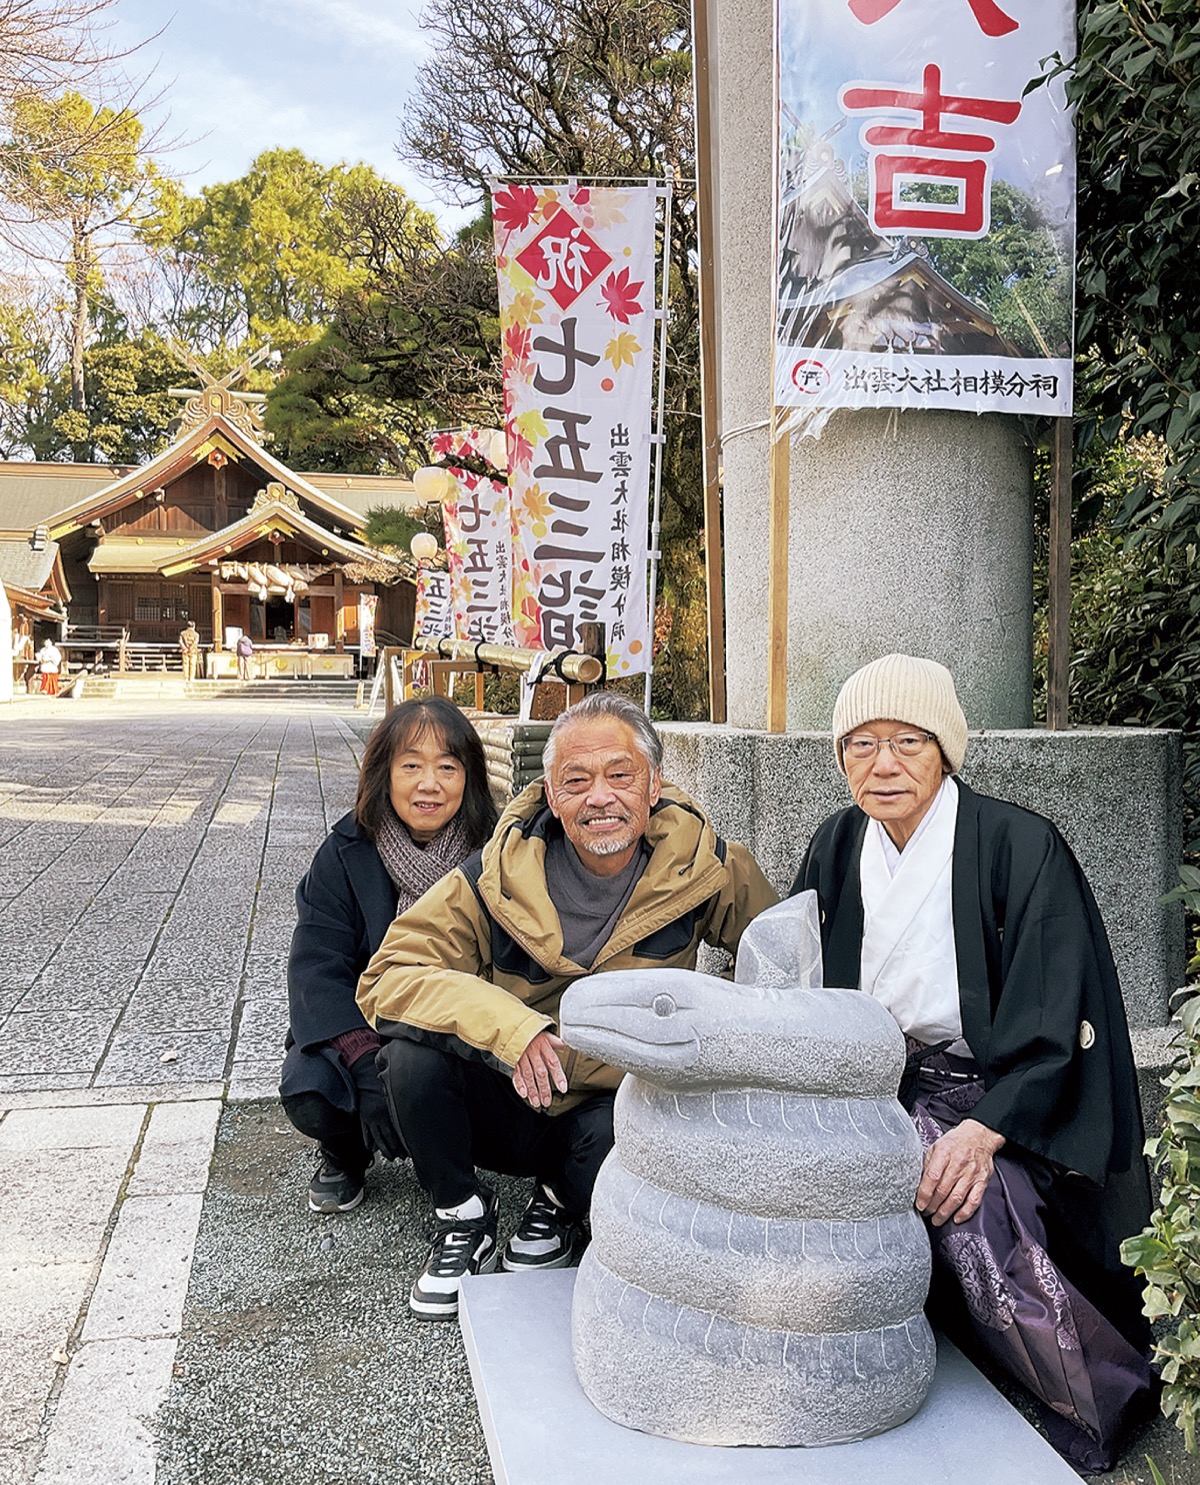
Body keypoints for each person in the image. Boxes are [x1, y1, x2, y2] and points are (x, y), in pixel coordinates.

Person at [791, 653, 1154, 1473]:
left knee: (969, 1200)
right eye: (861, 743)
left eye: (908, 741)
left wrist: (985, 1129)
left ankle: (1102, 1393)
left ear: (946, 750)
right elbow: (802, 984)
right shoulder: (838, 842)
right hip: (870, 1082)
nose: (883, 764)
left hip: (990, 1091)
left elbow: (1058, 1013)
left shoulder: (1019, 844)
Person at [356, 690, 778, 1320]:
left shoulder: (705, 866)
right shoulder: (495, 874)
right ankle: (462, 1215)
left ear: (653, 784)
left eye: (620, 775)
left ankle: (557, 1202)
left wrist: (713, 1037)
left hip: (612, 1108)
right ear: (552, 796)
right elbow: (390, 973)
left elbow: (781, 960)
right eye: (576, 781)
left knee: (623, 1144)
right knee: (409, 1060)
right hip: (512, 1094)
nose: (599, 798)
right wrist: (512, 1029)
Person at [280, 696, 498, 1216]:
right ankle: (344, 1153)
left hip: (462, 1032)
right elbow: (317, 967)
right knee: (311, 1085)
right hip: (366, 1030)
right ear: (384, 774)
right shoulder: (344, 852)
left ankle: (454, 1164)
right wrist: (365, 1065)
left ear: (469, 777)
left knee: (430, 1077)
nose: (430, 784)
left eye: (448, 767)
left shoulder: (496, 852)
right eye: (412, 766)